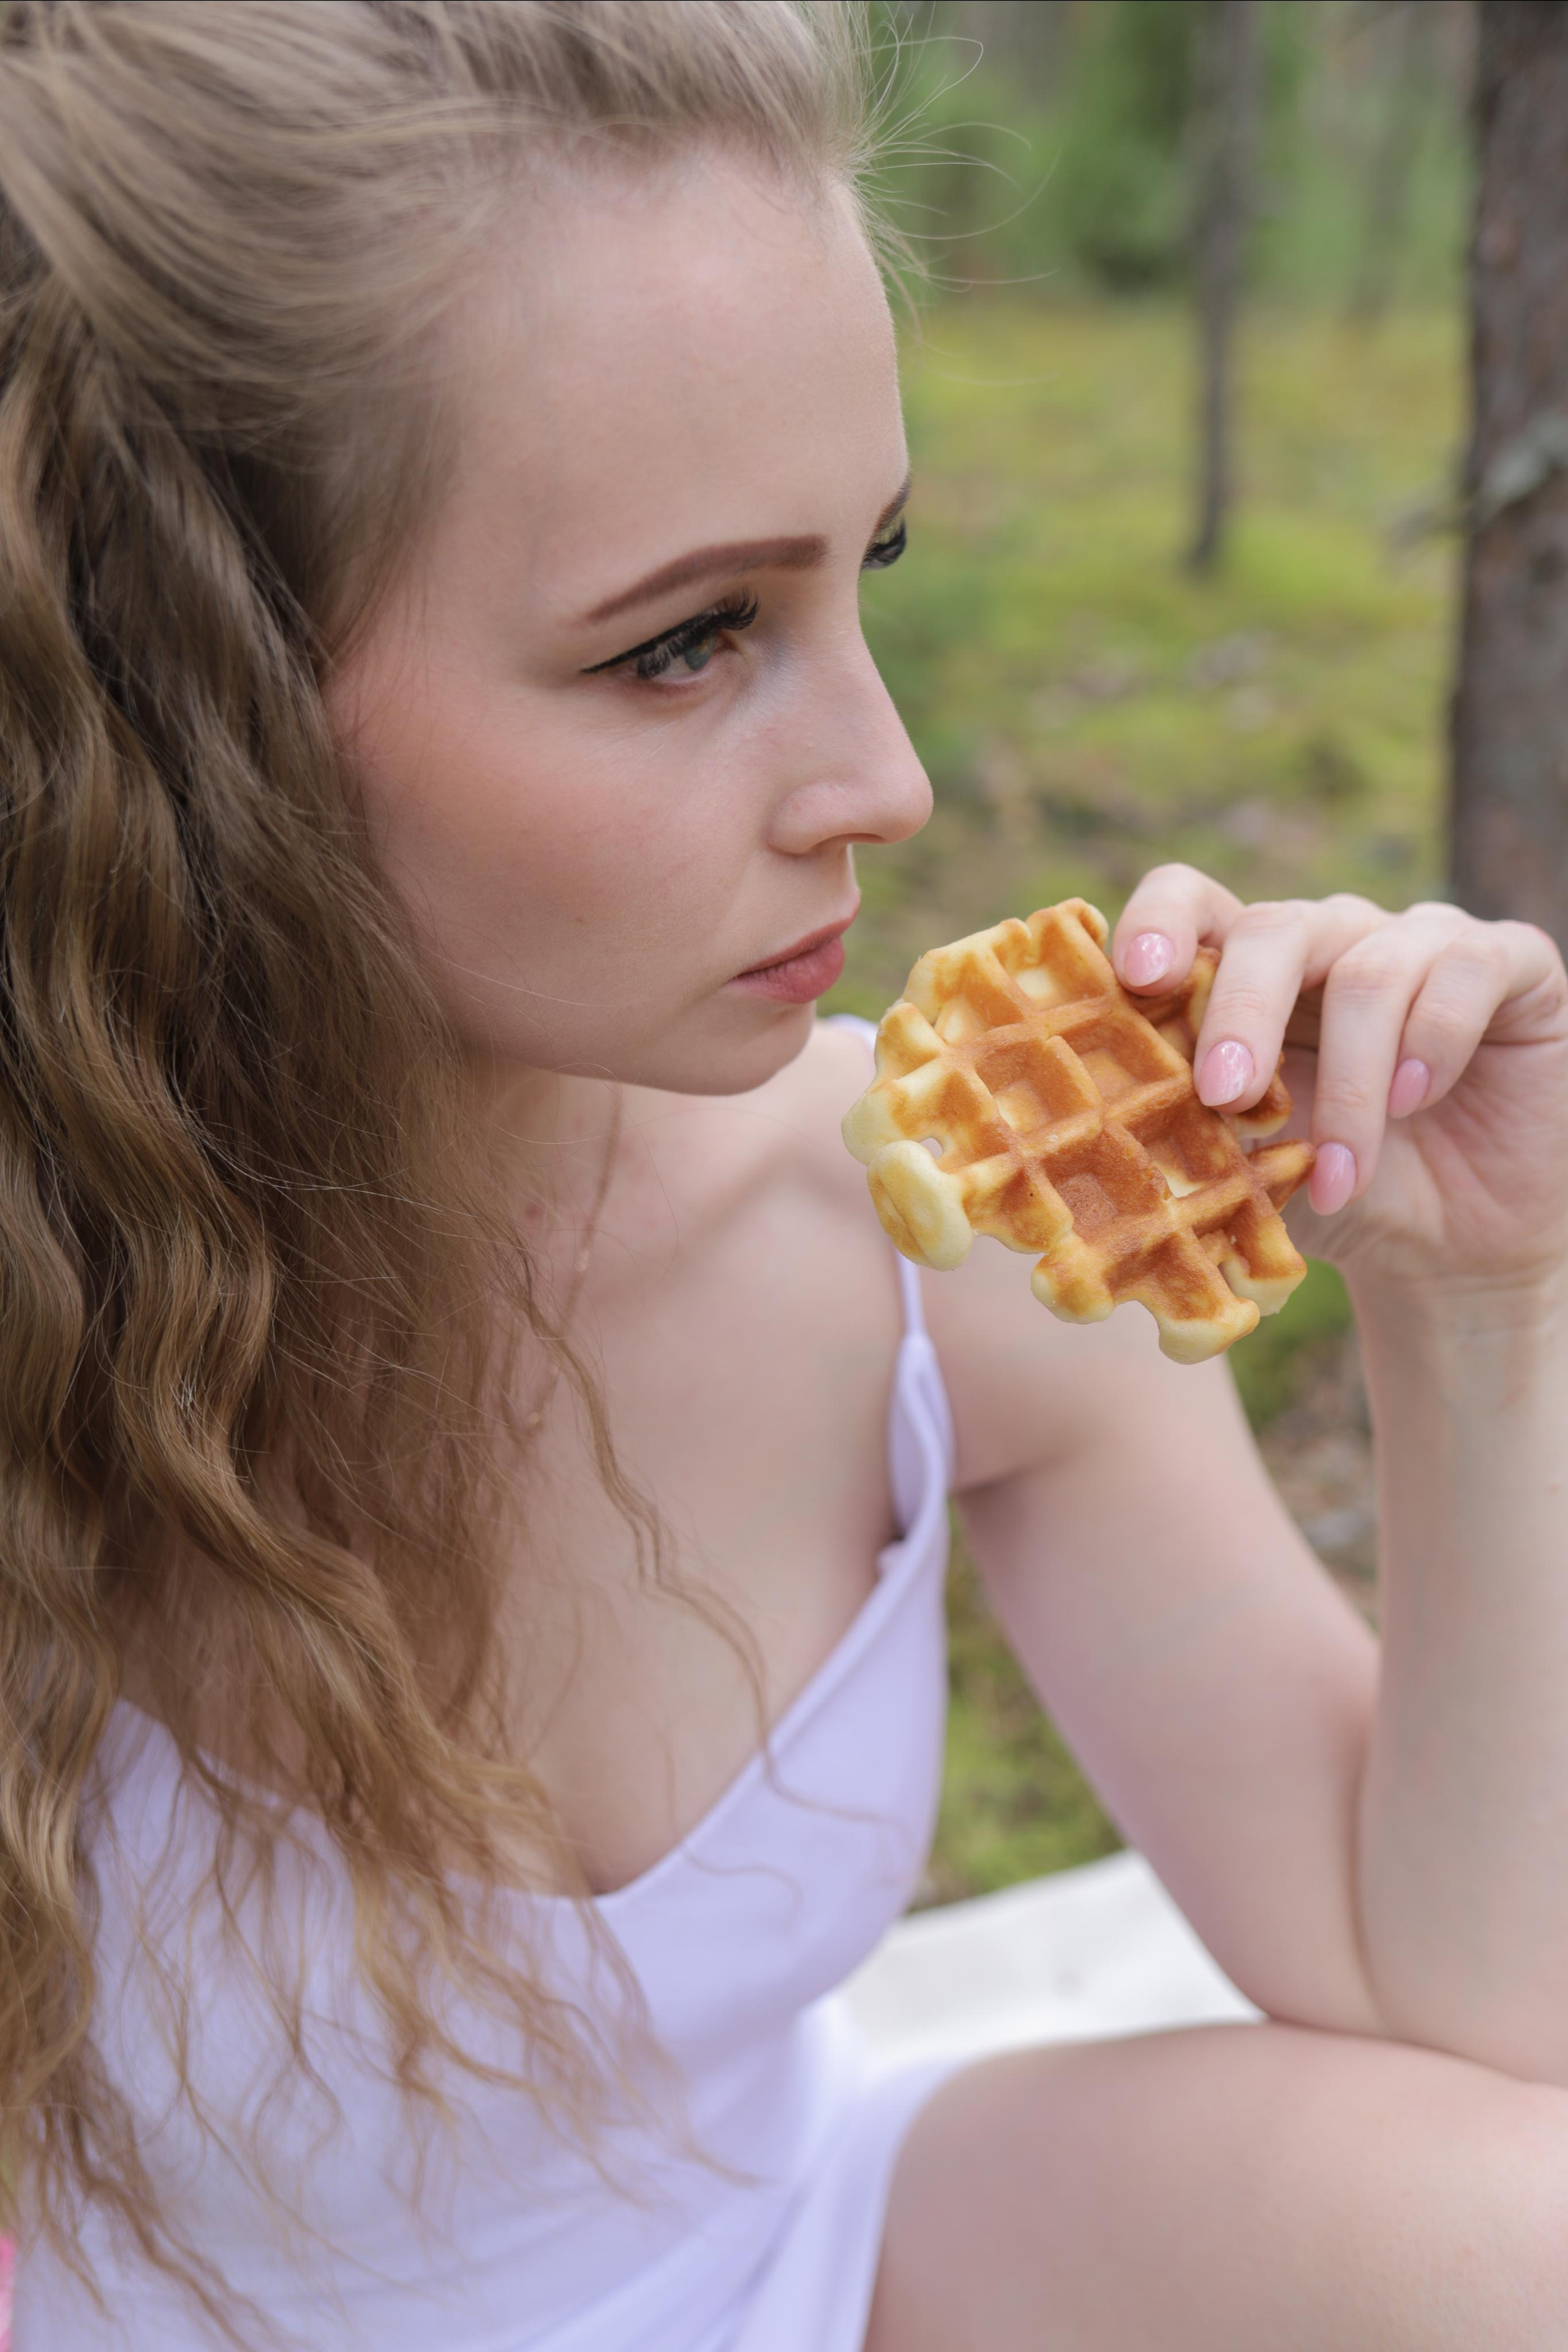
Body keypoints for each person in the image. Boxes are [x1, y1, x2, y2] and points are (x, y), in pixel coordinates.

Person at [4, 4, 1568, 2348]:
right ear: (180, 696)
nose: (893, 779)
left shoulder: (933, 1235)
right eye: (687, 640)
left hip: (779, 2263)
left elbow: (1458, 2002)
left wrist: (1489, 1313)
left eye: (873, 572)